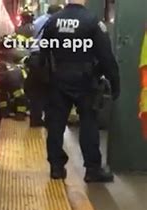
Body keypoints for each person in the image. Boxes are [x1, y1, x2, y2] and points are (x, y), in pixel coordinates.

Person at [41, 0, 120, 182]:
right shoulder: (92, 21)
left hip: (58, 79)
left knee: (56, 124)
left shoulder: (53, 21)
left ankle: (56, 168)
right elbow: (106, 57)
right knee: (88, 123)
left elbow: (44, 53)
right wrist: (115, 83)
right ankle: (92, 170)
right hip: (86, 80)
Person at [25, 4, 63, 127]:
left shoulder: (38, 21)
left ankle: (35, 119)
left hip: (34, 58)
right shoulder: (55, 22)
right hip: (47, 59)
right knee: (50, 90)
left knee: (36, 91)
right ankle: (48, 120)